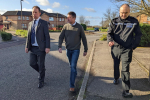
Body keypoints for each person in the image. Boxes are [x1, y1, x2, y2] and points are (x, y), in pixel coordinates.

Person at [107, 4, 142, 98]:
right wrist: (110, 40)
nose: (123, 14)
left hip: (127, 49)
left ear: (129, 11)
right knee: (116, 65)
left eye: (126, 12)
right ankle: (116, 78)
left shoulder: (134, 22)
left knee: (125, 69)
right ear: (119, 12)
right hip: (115, 48)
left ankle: (126, 90)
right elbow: (109, 33)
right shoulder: (114, 21)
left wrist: (133, 46)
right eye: (122, 12)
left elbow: (138, 35)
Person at [58, 11, 88, 92]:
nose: (68, 18)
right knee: (71, 66)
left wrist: (85, 49)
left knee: (73, 66)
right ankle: (74, 73)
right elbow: (61, 37)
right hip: (68, 49)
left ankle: (72, 85)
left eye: (70, 17)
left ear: (74, 18)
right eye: (67, 17)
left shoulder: (79, 27)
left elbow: (84, 39)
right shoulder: (65, 26)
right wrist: (59, 46)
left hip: (76, 50)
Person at [25, 6, 50, 88]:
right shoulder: (30, 23)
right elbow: (28, 36)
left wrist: (47, 47)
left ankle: (41, 81)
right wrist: (27, 46)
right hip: (32, 47)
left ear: (39, 13)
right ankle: (41, 71)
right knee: (32, 63)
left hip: (41, 48)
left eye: (35, 12)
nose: (34, 14)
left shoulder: (43, 23)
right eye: (33, 12)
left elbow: (47, 36)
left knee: (41, 64)